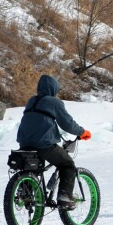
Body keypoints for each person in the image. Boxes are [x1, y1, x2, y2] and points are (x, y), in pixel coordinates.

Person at [15, 74, 92, 208]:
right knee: (68, 165)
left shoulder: (31, 101)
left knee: (33, 168)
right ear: (54, 88)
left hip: (24, 144)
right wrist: (82, 132)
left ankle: (25, 191)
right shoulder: (54, 102)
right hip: (44, 144)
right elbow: (67, 124)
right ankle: (65, 197)